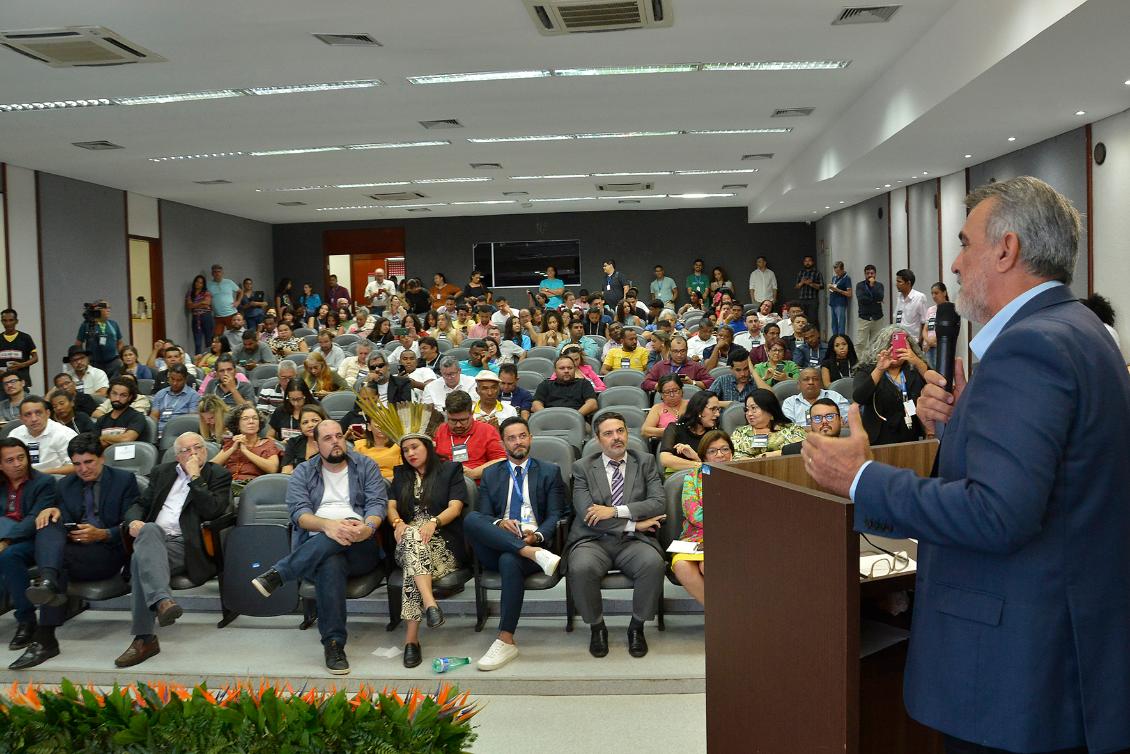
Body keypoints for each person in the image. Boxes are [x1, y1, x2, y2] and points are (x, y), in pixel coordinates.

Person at [802, 176, 1130, 753]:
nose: (954, 262)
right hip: (1064, 653)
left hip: (1015, 674)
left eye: (964, 243)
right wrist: (953, 428)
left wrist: (860, 477)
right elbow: (1054, 479)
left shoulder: (1030, 348)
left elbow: (998, 514)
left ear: (1006, 250)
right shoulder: (1082, 331)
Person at [250, 420, 384, 674]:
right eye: (328, 438)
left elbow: (377, 503)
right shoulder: (303, 471)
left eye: (339, 436)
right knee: (330, 561)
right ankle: (334, 643)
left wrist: (367, 527)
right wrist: (328, 526)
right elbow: (299, 514)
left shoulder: (365, 465)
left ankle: (280, 573)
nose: (335, 442)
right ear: (316, 443)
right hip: (316, 550)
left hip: (361, 546)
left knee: (343, 533)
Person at [13, 433, 137, 669]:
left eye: (89, 462)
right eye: (77, 464)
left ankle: (45, 635)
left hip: (108, 551)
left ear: (102, 458)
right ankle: (48, 590)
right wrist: (53, 513)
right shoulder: (67, 484)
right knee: (48, 521)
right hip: (73, 549)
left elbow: (132, 523)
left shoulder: (124, 480)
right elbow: (63, 523)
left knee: (57, 562)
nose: (83, 469)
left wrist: (102, 534)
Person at [116, 432, 231, 667]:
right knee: (148, 531)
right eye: (186, 451)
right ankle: (162, 601)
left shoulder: (218, 474)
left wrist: (195, 478)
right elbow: (140, 505)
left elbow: (213, 511)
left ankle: (145, 638)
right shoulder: (162, 472)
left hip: (185, 545)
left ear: (205, 451)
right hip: (153, 538)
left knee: (140, 561)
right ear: (177, 456)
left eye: (198, 448)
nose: (193, 454)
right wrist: (133, 522)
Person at [464, 417, 567, 670]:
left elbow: (556, 514)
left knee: (510, 560)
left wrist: (537, 537)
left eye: (522, 436)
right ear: (503, 443)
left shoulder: (549, 471)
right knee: (472, 518)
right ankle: (530, 553)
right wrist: (500, 523)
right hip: (504, 542)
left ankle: (505, 639)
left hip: (535, 538)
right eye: (511, 438)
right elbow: (486, 516)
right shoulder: (491, 473)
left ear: (530, 438)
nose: (518, 442)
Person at [567, 412, 666, 659]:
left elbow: (658, 503)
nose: (616, 438)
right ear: (598, 439)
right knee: (580, 567)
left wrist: (614, 511)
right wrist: (633, 525)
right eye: (608, 433)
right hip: (592, 540)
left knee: (652, 564)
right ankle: (597, 627)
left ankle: (637, 627)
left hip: (633, 544)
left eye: (620, 431)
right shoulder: (582, 467)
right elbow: (587, 514)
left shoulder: (645, 461)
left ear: (627, 433)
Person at [385, 432, 468, 668]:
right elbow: (391, 506)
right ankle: (431, 604)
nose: (410, 453)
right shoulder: (401, 474)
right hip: (407, 540)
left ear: (428, 447)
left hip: (442, 545)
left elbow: (455, 507)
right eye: (405, 450)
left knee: (413, 568)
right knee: (411, 538)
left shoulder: (450, 470)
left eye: (414, 447)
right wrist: (397, 523)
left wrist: (434, 522)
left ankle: (412, 641)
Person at [0, 437, 58, 654]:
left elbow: (34, 519)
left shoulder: (44, 482)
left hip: (33, 541)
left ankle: (26, 620)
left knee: (8, 556)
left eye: (21, 457)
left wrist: (5, 541)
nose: (18, 464)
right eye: (10, 460)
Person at [672, 430, 733, 607]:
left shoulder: (744, 475)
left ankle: (725, 617)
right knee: (682, 565)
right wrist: (726, 519)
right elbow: (694, 514)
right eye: (713, 451)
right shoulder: (693, 478)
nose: (720, 455)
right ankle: (719, 614)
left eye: (724, 449)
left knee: (708, 564)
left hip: (733, 537)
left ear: (732, 452)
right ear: (704, 456)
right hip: (697, 537)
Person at [851, 325, 928, 445]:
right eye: (890, 347)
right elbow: (859, 397)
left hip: (911, 435)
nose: (895, 351)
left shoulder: (914, 369)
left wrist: (917, 361)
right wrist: (879, 369)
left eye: (900, 346)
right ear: (881, 348)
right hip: (878, 436)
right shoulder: (868, 369)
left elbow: (936, 383)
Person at [433, 391, 506, 482]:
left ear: (471, 414)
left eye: (463, 420)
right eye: (453, 420)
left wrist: (474, 473)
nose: (458, 425)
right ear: (447, 414)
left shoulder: (487, 430)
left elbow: (501, 460)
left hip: (476, 486)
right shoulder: (441, 429)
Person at [211, 406, 281, 493]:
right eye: (245, 419)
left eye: (255, 418)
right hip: (228, 487)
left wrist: (245, 451)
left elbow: (272, 468)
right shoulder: (231, 443)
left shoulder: (267, 444)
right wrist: (233, 448)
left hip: (254, 488)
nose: (251, 422)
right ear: (237, 424)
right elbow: (210, 468)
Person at [731, 389, 806, 459]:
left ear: (769, 410)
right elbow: (734, 457)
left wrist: (768, 455)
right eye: (746, 409)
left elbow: (804, 449)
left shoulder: (792, 429)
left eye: (753, 408)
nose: (749, 413)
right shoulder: (739, 433)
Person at [10, 396, 76, 475]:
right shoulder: (15, 434)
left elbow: (75, 466)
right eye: (28, 414)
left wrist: (41, 474)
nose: (34, 419)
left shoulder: (64, 434)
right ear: (20, 418)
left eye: (38, 413)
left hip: (54, 480)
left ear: (48, 413)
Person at [659, 391, 723, 472]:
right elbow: (665, 459)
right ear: (699, 410)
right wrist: (700, 465)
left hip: (708, 479)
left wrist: (695, 457)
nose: (717, 414)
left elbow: (717, 468)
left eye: (718, 409)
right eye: (713, 409)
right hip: (679, 480)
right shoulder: (675, 428)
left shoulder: (716, 433)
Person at [641, 335, 713, 392]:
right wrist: (661, 385)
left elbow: (711, 382)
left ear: (687, 350)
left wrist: (692, 383)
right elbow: (645, 383)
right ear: (670, 351)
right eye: (675, 351)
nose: (679, 355)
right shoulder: (660, 365)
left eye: (682, 351)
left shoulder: (695, 366)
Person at [533, 355, 598, 417]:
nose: (566, 371)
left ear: (574, 369)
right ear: (555, 371)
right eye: (562, 368)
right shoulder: (545, 384)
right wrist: (547, 417)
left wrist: (574, 416)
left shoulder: (584, 383)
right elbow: (536, 404)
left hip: (577, 420)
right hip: (549, 420)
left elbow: (592, 404)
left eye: (570, 368)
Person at [781, 368, 849, 427]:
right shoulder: (790, 402)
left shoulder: (834, 397)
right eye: (806, 379)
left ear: (821, 383)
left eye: (815, 379)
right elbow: (788, 429)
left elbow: (850, 422)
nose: (811, 382)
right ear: (798, 385)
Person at [74, 300, 124, 376]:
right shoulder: (87, 325)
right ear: (97, 309)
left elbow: (120, 342)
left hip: (113, 363)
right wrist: (83, 359)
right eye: (106, 308)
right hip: (94, 363)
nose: (108, 310)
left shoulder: (113, 324)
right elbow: (78, 344)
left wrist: (121, 358)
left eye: (109, 308)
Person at [94, 378, 147, 448]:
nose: (117, 399)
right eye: (114, 393)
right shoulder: (102, 419)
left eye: (123, 395)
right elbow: (95, 443)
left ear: (130, 397)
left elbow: (127, 438)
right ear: (109, 395)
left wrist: (104, 437)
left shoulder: (137, 417)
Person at [280, 404, 328, 473]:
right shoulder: (293, 442)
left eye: (315, 420)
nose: (310, 425)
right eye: (305, 422)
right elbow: (286, 472)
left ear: (324, 421)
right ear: (300, 426)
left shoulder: (331, 443)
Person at [642, 374, 688, 441]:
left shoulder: (692, 404)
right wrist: (670, 431)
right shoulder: (657, 408)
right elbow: (645, 431)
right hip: (666, 443)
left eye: (675, 390)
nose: (672, 395)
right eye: (667, 392)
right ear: (661, 394)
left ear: (681, 390)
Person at [0, 309, 38, 388]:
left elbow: (35, 358)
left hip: (22, 381)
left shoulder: (25, 337)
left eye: (11, 320)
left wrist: (22, 365)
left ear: (16, 321)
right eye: (5, 320)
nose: (8, 323)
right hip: (2, 384)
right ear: (1, 321)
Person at [855, 264, 885, 351]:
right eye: (867, 273)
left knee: (876, 343)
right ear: (865, 274)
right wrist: (875, 300)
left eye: (872, 273)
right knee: (861, 343)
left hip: (877, 318)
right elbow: (861, 299)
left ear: (875, 274)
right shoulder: (860, 285)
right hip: (864, 318)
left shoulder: (879, 285)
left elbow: (880, 297)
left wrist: (872, 286)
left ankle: (873, 362)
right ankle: (860, 363)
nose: (870, 275)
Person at [921, 282, 950, 370]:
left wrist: (931, 342)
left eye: (936, 293)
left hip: (939, 346)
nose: (934, 296)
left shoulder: (949, 308)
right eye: (932, 293)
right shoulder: (930, 309)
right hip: (927, 347)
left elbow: (946, 329)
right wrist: (927, 341)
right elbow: (925, 329)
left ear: (944, 293)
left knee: (939, 373)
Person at [207, 265, 242, 337]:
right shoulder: (208, 284)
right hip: (218, 316)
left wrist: (238, 302)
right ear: (212, 273)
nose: (217, 273)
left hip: (231, 314)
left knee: (235, 335)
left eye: (219, 272)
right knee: (217, 337)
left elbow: (240, 292)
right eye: (215, 272)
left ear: (222, 273)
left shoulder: (229, 282)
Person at [894, 268, 929, 338]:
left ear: (908, 283)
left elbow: (924, 322)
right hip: (898, 338)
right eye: (896, 281)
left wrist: (921, 342)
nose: (896, 284)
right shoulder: (899, 298)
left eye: (899, 282)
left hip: (913, 340)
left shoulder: (919, 297)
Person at [793, 255, 824, 321]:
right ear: (804, 263)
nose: (807, 263)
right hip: (802, 300)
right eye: (806, 261)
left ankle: (813, 331)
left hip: (813, 300)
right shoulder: (801, 273)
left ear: (812, 262)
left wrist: (811, 284)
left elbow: (821, 286)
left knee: (813, 319)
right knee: (802, 318)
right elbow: (796, 286)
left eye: (809, 261)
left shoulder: (817, 273)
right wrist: (802, 282)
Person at [827, 261, 853, 336]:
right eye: (835, 272)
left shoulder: (847, 279)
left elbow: (849, 294)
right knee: (833, 324)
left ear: (842, 269)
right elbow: (833, 288)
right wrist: (830, 287)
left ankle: (841, 339)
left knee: (841, 323)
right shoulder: (834, 278)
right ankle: (834, 339)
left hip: (840, 303)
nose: (837, 274)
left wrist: (838, 290)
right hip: (833, 302)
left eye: (838, 272)